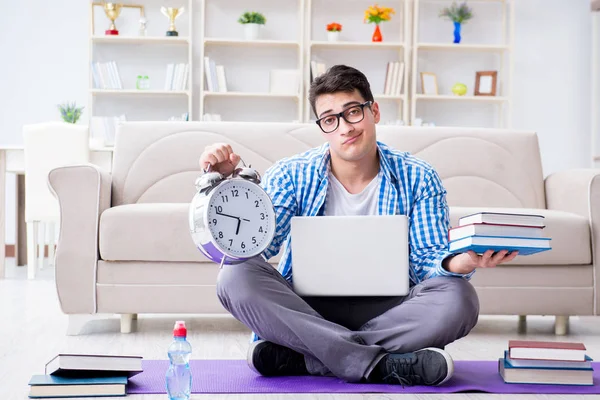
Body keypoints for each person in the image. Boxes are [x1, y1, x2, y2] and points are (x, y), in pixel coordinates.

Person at [198, 65, 518, 386]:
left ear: (374, 111)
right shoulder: (290, 174)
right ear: (322, 127)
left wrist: (458, 262)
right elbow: (257, 247)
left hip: (392, 312)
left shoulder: (419, 176)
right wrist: (228, 186)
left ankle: (311, 357)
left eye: (352, 112)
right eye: (330, 119)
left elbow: (425, 264)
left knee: (460, 298)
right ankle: (384, 364)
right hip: (308, 310)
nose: (344, 128)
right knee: (233, 276)